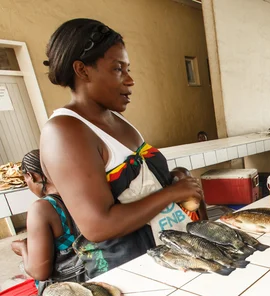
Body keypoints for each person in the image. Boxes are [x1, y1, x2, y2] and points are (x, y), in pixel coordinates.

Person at [40, 19, 203, 279]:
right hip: (131, 271)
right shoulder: (64, 131)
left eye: (128, 69)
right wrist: (171, 193)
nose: (130, 80)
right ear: (82, 70)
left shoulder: (116, 120)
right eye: (118, 69)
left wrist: (174, 180)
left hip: (168, 252)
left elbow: (139, 186)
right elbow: (98, 225)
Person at [11, 150, 84, 293]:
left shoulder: (41, 209)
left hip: (69, 292)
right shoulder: (81, 192)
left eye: (26, 179)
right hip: (100, 272)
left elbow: (40, 272)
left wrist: (23, 248)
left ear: (32, 176)